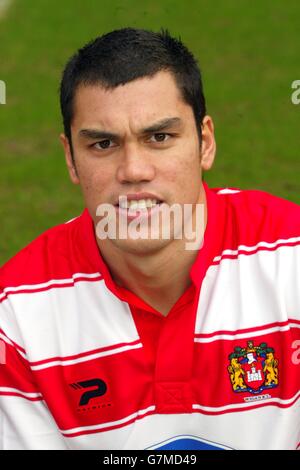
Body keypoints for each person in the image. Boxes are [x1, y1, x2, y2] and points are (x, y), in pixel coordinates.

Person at [0, 27, 299, 451]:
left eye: (159, 138)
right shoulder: (16, 315)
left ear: (205, 142)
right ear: (71, 159)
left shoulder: (292, 261)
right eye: (103, 144)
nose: (134, 170)